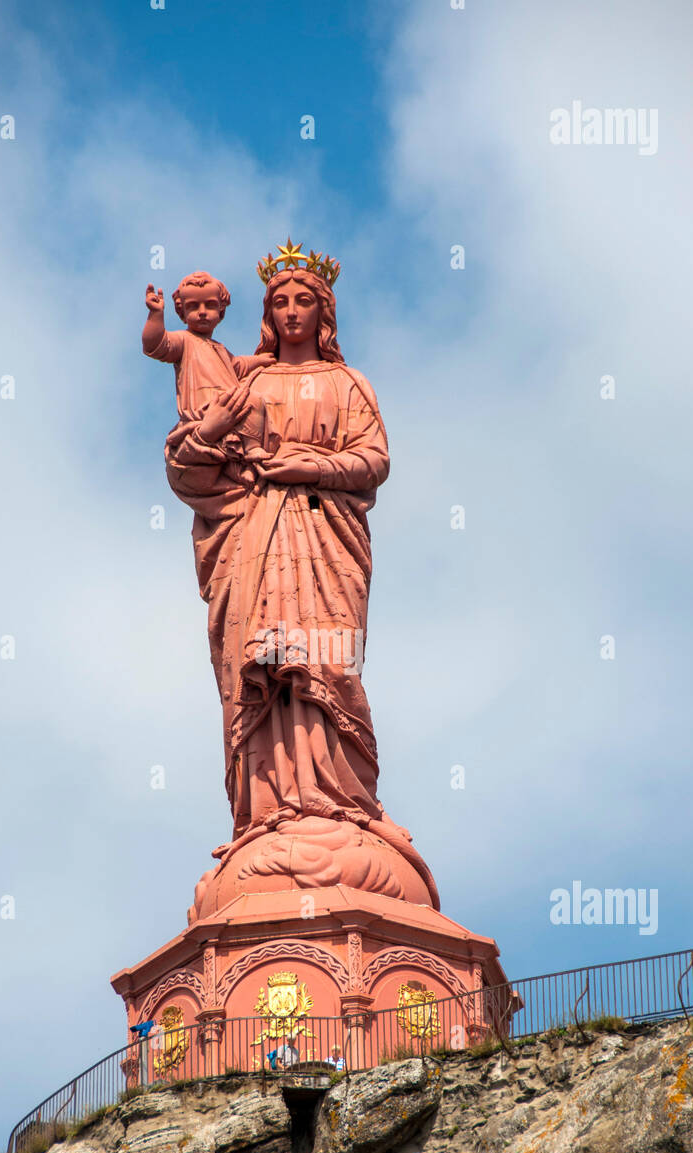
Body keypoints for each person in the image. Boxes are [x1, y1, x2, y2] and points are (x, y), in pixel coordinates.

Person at [164, 248, 439, 908]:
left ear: (324, 311)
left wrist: (302, 468)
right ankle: (269, 810)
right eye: (280, 302)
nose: (291, 311)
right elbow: (189, 470)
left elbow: (372, 460)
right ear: (267, 313)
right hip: (254, 538)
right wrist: (214, 435)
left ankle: (344, 800)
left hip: (325, 541)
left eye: (303, 300)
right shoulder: (245, 384)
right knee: (264, 666)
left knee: (328, 665)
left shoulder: (349, 385)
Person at [143, 274, 270, 460]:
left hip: (231, 404)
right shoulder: (183, 340)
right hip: (205, 409)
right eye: (193, 306)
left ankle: (251, 448)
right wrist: (155, 315)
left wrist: (261, 360)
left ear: (221, 310)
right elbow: (155, 344)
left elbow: (237, 366)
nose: (202, 312)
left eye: (209, 305)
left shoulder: (219, 348)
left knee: (254, 400)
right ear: (182, 312)